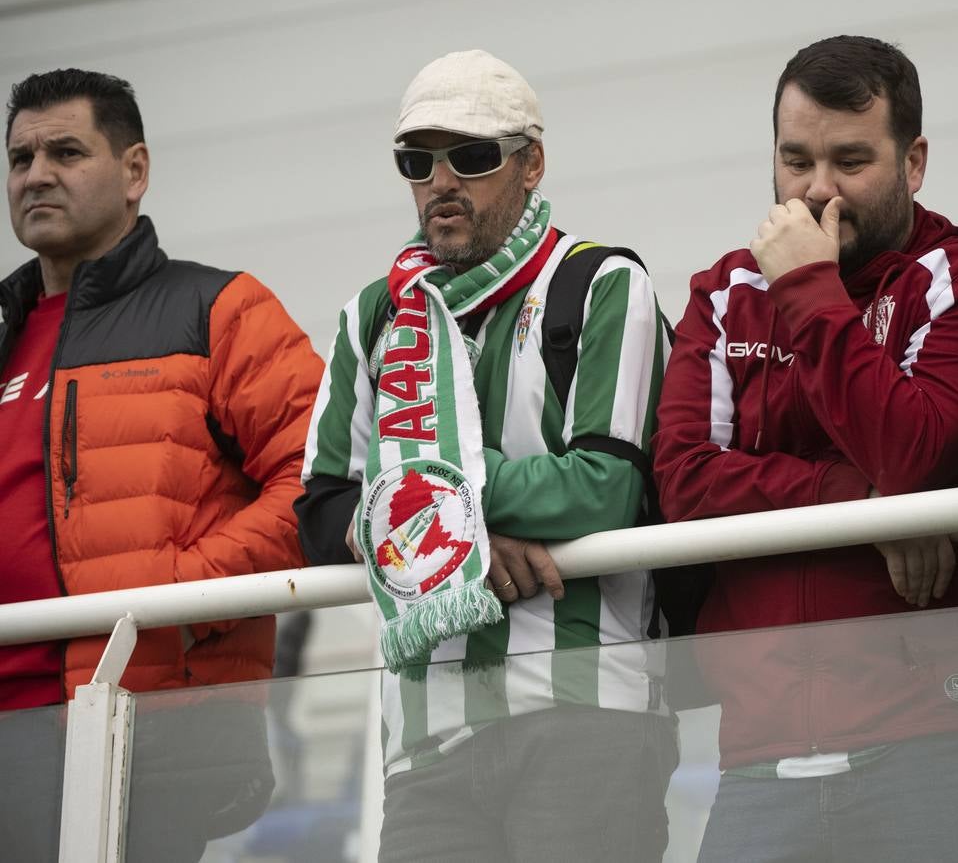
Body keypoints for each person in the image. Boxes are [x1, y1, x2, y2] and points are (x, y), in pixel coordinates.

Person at [652, 35, 958, 862]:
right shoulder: (722, 293)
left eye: (850, 160)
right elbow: (684, 481)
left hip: (947, 737)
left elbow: (913, 451)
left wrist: (805, 286)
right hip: (759, 752)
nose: (818, 190)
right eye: (795, 162)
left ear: (915, 161)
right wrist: (862, 506)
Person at [296, 49, 675, 862]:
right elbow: (323, 508)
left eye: (470, 156)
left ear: (530, 163)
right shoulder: (372, 315)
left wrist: (434, 507)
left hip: (586, 711)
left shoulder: (603, 281)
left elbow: (606, 489)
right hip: (425, 739)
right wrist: (461, 534)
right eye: (416, 159)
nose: (440, 181)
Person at [1, 69, 320, 858]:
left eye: (66, 151)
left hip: (138, 721)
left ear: (134, 170)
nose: (36, 174)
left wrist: (171, 599)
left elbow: (323, 483)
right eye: (19, 158)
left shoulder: (219, 310)